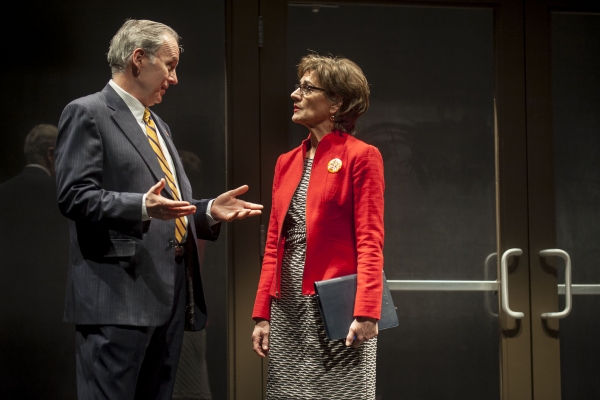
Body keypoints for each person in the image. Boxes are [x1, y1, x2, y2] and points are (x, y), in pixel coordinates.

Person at [55, 19, 262, 400]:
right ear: (138, 59)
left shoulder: (158, 124)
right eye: (170, 65)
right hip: (117, 298)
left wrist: (209, 211)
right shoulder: (88, 112)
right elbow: (73, 196)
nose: (175, 77)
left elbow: (170, 206)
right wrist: (141, 206)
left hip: (169, 295)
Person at [251, 53, 385, 399]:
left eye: (307, 88)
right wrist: (262, 314)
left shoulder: (361, 156)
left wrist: (368, 311)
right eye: (298, 86)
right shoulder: (286, 162)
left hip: (337, 308)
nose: (295, 95)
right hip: (289, 309)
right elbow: (273, 244)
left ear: (336, 102)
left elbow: (371, 240)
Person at [0, 124, 75, 399]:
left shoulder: (2, 193)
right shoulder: (64, 200)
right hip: (52, 320)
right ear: (52, 154)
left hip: (6, 318)